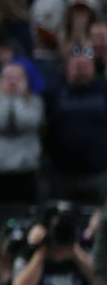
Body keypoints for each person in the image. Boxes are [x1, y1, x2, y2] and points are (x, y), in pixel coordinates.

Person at [46, 49, 107, 202]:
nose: (81, 69)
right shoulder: (54, 91)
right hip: (61, 174)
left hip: (98, 173)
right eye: (77, 65)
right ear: (66, 67)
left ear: (94, 67)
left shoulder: (103, 89)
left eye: (85, 65)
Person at [0, 63, 43, 202]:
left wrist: (18, 99)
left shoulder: (35, 102)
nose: (12, 82)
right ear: (0, 81)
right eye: (8, 78)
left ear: (26, 81)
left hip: (24, 171)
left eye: (17, 78)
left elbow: (26, 123)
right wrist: (7, 99)